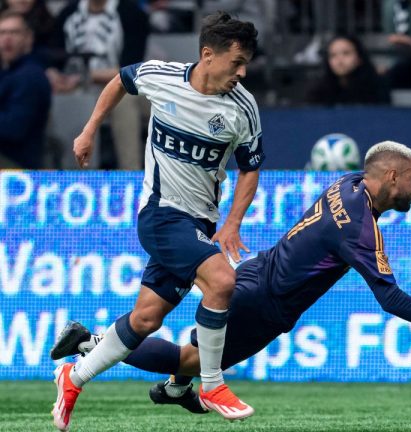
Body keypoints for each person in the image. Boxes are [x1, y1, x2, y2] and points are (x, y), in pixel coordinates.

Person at [51, 140, 411, 414]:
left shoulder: (349, 182)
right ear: (393, 176)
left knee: (192, 356)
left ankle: (175, 390)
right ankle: (91, 344)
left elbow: (400, 185)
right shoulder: (359, 230)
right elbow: (391, 300)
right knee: (187, 358)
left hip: (257, 272)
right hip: (265, 305)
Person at [52, 11, 264, 430]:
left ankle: (73, 376)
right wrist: (90, 128)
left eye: (246, 64)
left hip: (200, 224)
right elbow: (119, 81)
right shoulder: (158, 75)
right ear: (207, 55)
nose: (242, 73)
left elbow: (251, 168)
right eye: (236, 62)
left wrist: (233, 223)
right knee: (222, 282)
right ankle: (211, 383)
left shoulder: (243, 108)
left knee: (146, 319)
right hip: (161, 214)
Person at [46, 0, 149, 169]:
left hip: (122, 86)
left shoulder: (132, 13)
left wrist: (83, 77)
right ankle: (51, 172)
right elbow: (53, 55)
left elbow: (131, 69)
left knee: (124, 102)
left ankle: (131, 173)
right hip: (71, 86)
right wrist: (53, 75)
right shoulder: (68, 13)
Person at [0, 11, 51, 168]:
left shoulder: (30, 76)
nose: (7, 38)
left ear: (28, 38)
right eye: (2, 32)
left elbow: (14, 129)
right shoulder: (8, 73)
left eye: (14, 32)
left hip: (17, 167)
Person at [306, 34, 390, 106]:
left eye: (346, 53)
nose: (339, 60)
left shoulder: (375, 87)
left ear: (359, 58)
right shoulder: (319, 91)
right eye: (333, 55)